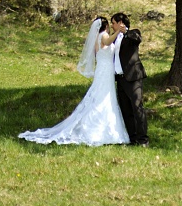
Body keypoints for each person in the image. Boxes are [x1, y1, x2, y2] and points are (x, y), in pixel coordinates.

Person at [18, 16, 130, 146]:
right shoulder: (103, 36)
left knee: (104, 96)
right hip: (104, 71)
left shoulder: (98, 37)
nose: (111, 26)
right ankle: (100, 130)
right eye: (110, 25)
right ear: (105, 26)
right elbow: (109, 42)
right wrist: (118, 32)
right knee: (102, 97)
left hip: (104, 70)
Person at [109, 12, 149, 147]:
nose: (112, 26)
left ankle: (143, 139)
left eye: (113, 23)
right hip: (120, 78)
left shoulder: (132, 34)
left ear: (121, 23)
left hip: (133, 77)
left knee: (137, 108)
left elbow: (137, 38)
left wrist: (125, 31)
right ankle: (133, 138)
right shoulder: (113, 38)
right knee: (126, 110)